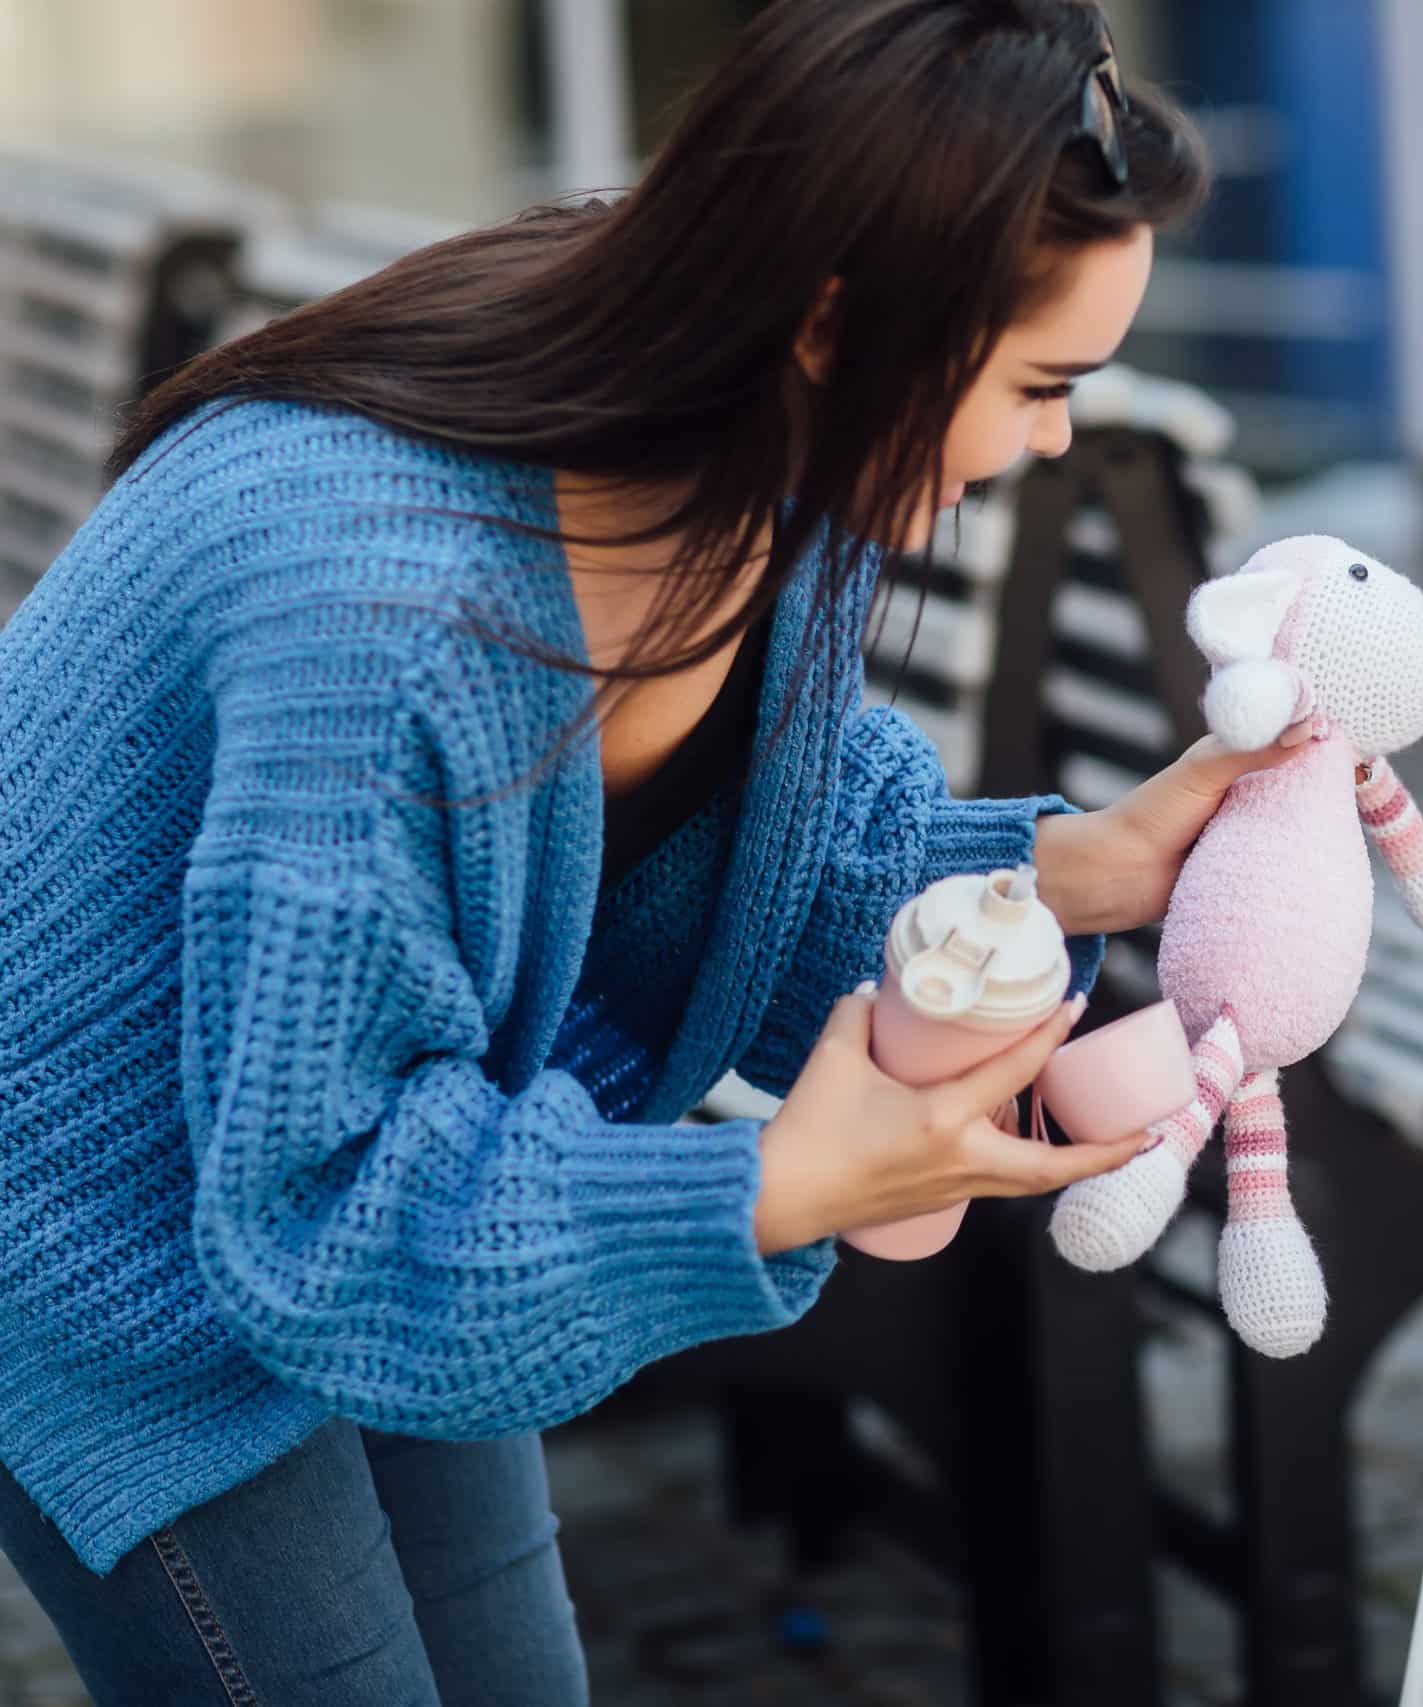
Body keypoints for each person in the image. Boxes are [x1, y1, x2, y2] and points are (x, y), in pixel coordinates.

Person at [0, 2, 1267, 1699]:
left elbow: (748, 857)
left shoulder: (763, 467)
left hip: (385, 1120)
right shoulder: (388, 619)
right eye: (1040, 384)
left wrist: (1089, 867)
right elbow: (321, 1216)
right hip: (95, 1234)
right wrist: (786, 1181)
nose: (1048, 442)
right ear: (836, 320)